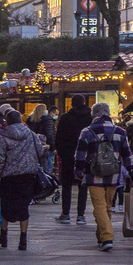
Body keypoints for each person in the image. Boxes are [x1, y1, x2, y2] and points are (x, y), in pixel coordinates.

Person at [73, 102, 133, 252]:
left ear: (94, 114)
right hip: (113, 174)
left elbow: (80, 156)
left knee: (99, 207)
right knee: (108, 206)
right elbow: (127, 155)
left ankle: (107, 237)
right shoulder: (120, 132)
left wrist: (78, 172)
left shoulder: (87, 132)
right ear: (108, 113)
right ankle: (101, 237)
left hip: (93, 175)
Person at [0, 109, 44, 250]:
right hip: (28, 175)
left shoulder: (3, 136)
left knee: (6, 206)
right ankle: (23, 239)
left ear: (7, 121)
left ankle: (3, 237)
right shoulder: (30, 134)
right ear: (20, 120)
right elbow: (41, 151)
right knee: (24, 206)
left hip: (9, 176)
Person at [54, 94, 92, 225]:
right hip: (86, 156)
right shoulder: (90, 118)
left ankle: (65, 213)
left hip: (68, 156)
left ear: (72, 104)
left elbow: (59, 138)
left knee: (66, 186)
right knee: (83, 186)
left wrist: (62, 153)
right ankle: (81, 215)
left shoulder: (65, 118)